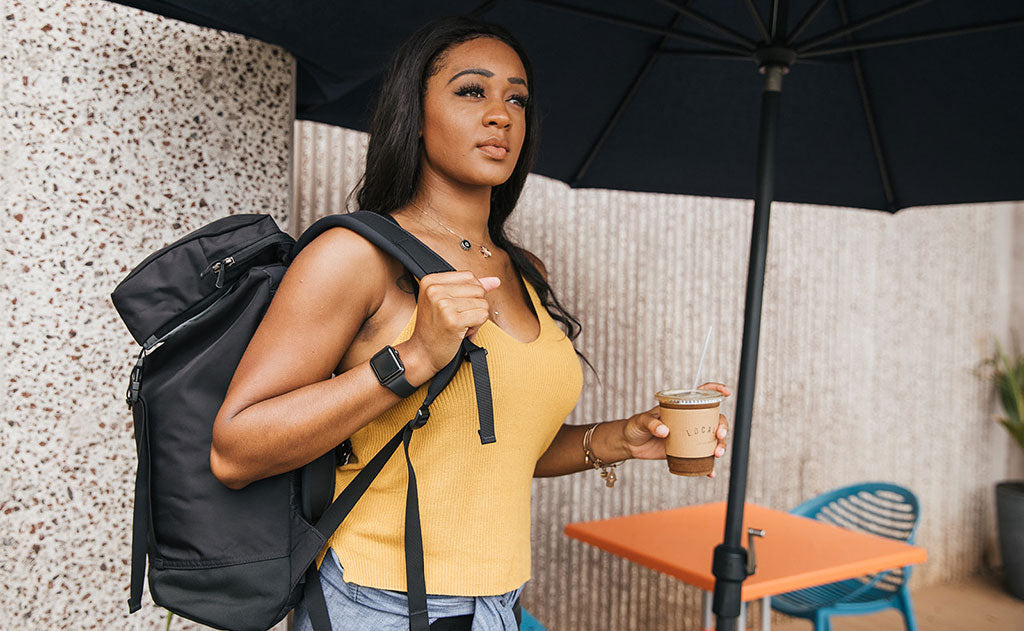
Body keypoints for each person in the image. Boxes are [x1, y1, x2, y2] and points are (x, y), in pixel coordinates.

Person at [209, 15, 730, 631]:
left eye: (517, 98)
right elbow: (235, 449)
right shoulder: (357, 256)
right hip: (381, 603)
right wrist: (413, 360)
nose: (502, 115)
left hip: (497, 605)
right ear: (415, 112)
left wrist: (622, 438)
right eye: (471, 91)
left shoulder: (523, 270)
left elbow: (494, 451)